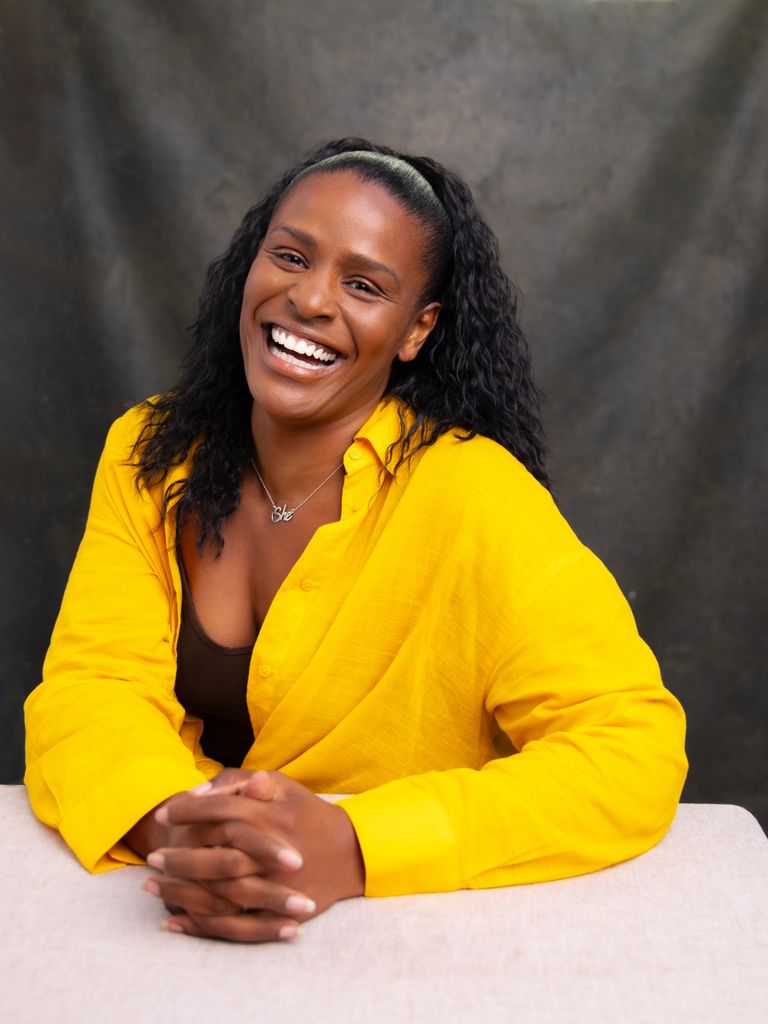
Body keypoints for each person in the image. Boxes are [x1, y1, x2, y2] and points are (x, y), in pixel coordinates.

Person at [24, 138, 687, 943]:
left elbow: (631, 749)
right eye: (290, 256)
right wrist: (179, 827)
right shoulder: (148, 453)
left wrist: (354, 846)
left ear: (416, 330)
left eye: (364, 285)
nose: (310, 299)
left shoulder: (475, 494)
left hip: (393, 947)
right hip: (166, 914)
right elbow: (93, 685)